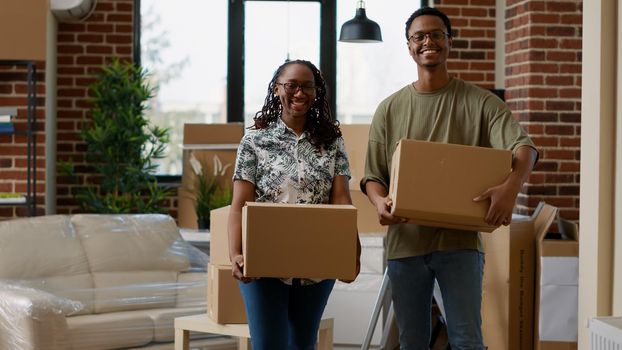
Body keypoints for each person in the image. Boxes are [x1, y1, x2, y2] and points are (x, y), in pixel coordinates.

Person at [361, 7, 538, 350]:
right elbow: (373, 176)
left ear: (449, 42)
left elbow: (524, 148)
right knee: (412, 341)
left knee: (467, 339)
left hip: (460, 246)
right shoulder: (390, 108)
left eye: (436, 34)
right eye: (419, 36)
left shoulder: (481, 103)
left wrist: (510, 188)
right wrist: (379, 201)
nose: (428, 42)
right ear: (409, 46)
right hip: (406, 244)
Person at [227, 59, 360, 350]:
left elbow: (341, 199)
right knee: (269, 344)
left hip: (316, 263)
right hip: (263, 260)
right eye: (292, 85)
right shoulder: (255, 141)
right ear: (277, 89)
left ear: (317, 92)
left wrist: (353, 251)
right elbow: (240, 203)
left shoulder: (331, 141)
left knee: (302, 344)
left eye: (308, 86)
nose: (300, 93)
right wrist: (235, 252)